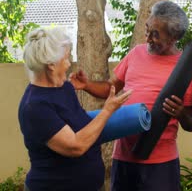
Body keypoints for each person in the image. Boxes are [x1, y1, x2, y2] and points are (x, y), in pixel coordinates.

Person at [69, 0, 192, 191]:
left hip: (160, 163)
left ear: (173, 37)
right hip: (124, 158)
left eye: (155, 35)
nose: (147, 38)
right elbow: (110, 89)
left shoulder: (185, 69)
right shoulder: (136, 53)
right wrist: (86, 85)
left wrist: (180, 112)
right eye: (147, 30)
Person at [18, 27, 132, 190]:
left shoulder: (65, 88)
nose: (69, 64)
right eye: (66, 58)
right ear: (51, 65)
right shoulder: (34, 106)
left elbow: (81, 125)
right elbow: (75, 146)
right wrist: (107, 111)